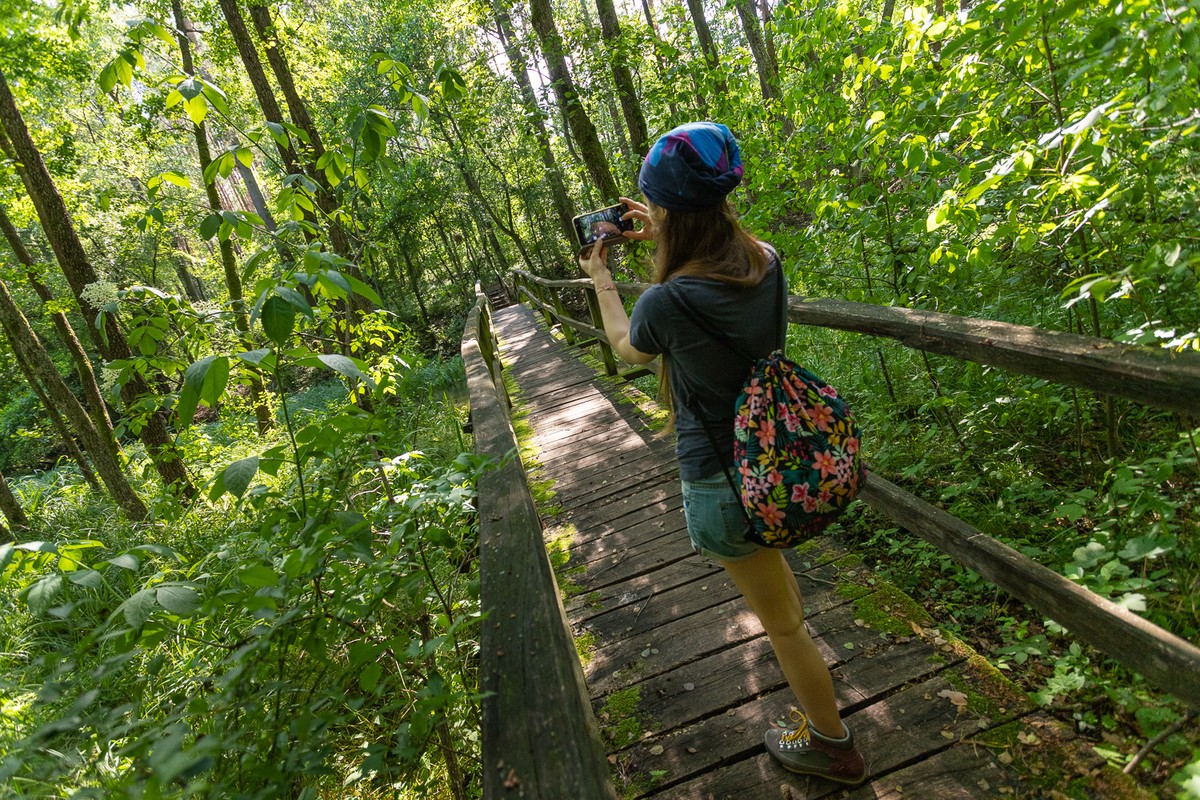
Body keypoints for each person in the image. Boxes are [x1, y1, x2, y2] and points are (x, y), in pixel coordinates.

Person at [577, 121, 867, 786]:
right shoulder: (766, 260)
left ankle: (834, 746)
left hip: (722, 483)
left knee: (784, 626)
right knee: (787, 605)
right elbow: (717, 262)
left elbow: (627, 350)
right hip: (773, 463)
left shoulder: (668, 300)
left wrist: (602, 278)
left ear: (671, 211)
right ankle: (821, 716)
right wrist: (668, 228)